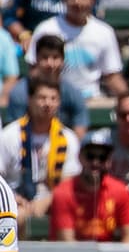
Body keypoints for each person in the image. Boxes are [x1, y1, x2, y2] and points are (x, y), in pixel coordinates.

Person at [26, 0, 127, 102]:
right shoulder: (46, 29)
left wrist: (126, 98)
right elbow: (34, 71)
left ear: (93, 0)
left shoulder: (104, 32)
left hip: (91, 98)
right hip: (54, 98)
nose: (77, 2)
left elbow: (112, 76)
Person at [0, 76, 79, 221]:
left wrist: (47, 201)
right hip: (16, 200)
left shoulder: (68, 138)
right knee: (17, 216)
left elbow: (68, 183)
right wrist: (11, 197)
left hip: (54, 202)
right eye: (42, 98)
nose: (47, 103)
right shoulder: (10, 135)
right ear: (30, 100)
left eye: (53, 98)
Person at [49, 128, 129, 242]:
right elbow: (67, 244)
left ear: (109, 161)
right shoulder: (64, 192)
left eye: (102, 157)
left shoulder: (120, 191)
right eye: (90, 156)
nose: (95, 162)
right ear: (80, 157)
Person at [4, 34, 88, 135]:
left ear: (63, 60)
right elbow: (15, 132)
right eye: (45, 57)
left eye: (55, 57)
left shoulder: (73, 93)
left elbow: (79, 129)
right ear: (36, 59)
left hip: (62, 146)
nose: (50, 64)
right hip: (26, 146)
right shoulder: (20, 92)